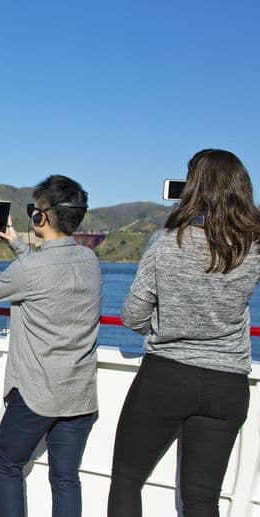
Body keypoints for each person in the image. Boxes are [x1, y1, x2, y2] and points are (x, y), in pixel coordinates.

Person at [107, 149, 260, 517]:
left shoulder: (165, 242)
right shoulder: (253, 246)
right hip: (228, 385)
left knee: (127, 479)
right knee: (202, 500)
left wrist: (166, 322)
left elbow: (132, 315)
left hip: (167, 377)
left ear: (192, 189)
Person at [0, 175, 101, 517]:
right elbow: (47, 271)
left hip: (36, 396)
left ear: (41, 217)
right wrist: (17, 244)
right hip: (80, 396)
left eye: (35, 210)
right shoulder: (91, 262)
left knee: (7, 463)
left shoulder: (30, 268)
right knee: (65, 479)